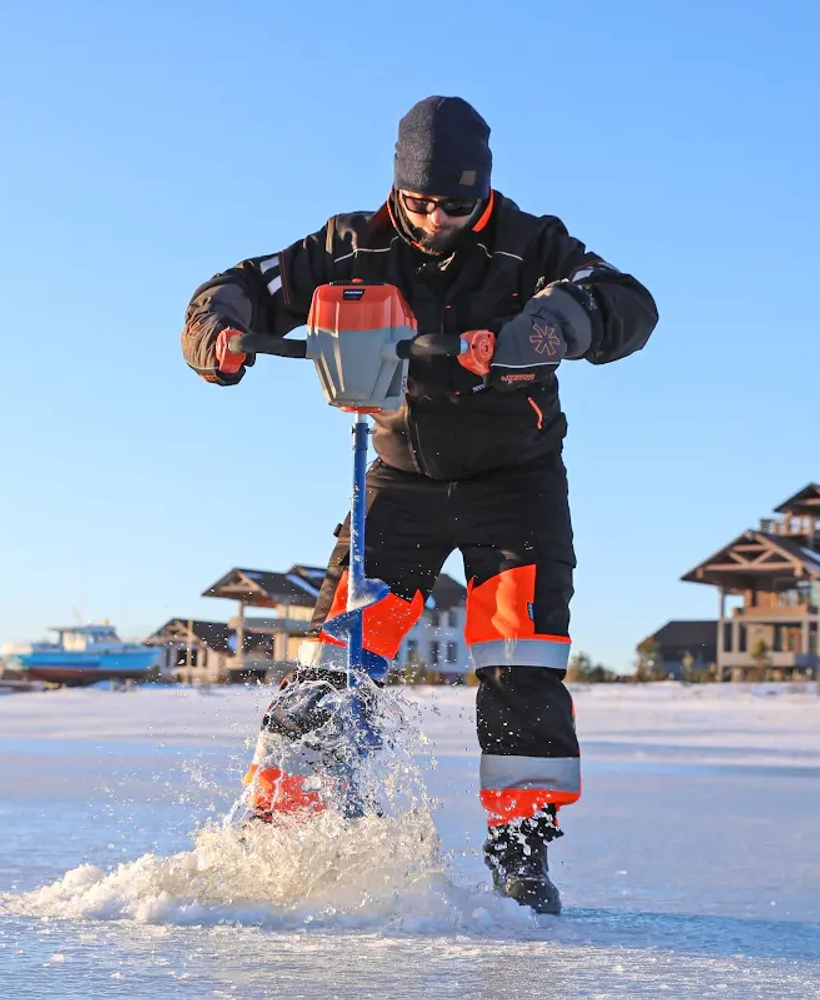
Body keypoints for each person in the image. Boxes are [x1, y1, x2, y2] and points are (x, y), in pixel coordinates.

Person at [180, 96, 658, 914]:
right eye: (422, 202)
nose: (438, 219)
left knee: (522, 663)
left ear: (484, 194)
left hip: (516, 485)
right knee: (335, 660)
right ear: (398, 189)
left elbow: (627, 302)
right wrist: (216, 333)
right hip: (398, 481)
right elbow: (239, 287)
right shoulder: (350, 244)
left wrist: (549, 327)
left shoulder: (532, 243)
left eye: (458, 206)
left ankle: (521, 851)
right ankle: (279, 830)